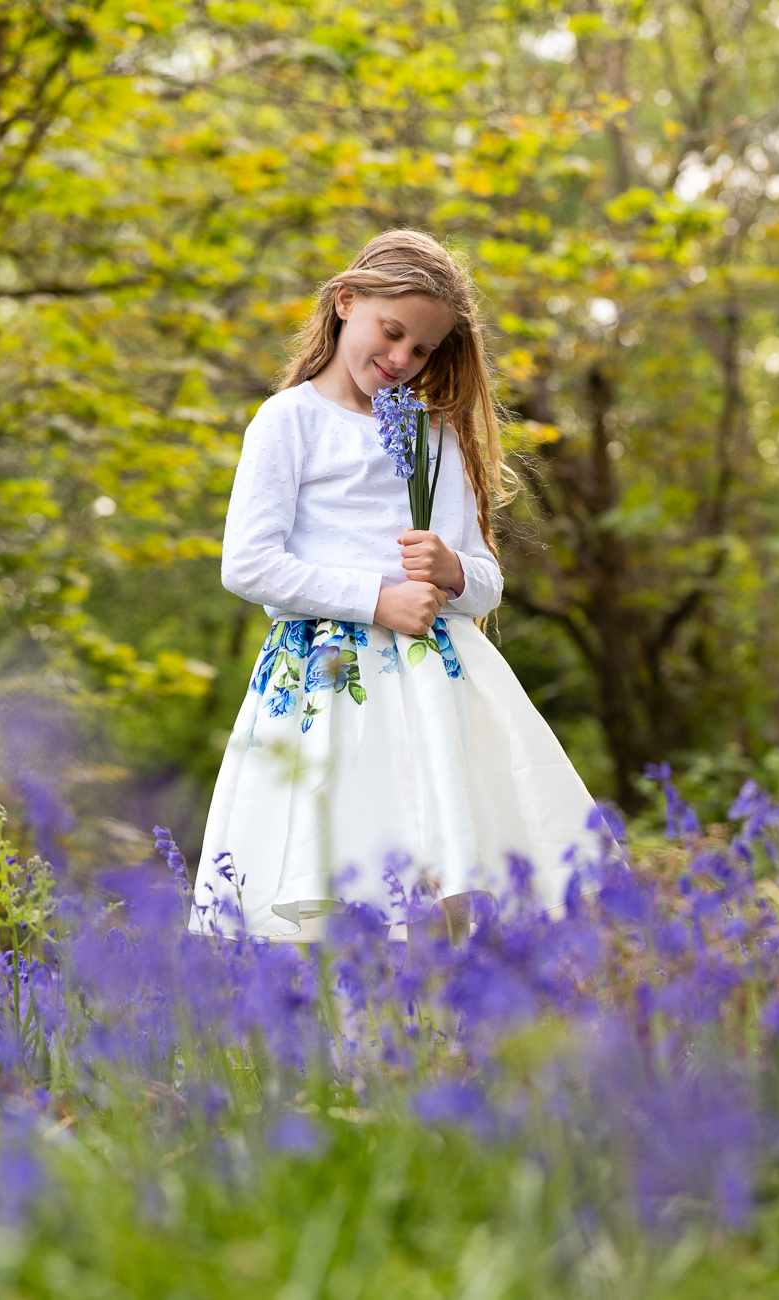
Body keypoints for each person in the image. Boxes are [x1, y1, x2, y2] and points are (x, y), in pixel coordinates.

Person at [189, 230, 602, 941]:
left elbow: (485, 584)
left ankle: (439, 1031)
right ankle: (342, 1039)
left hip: (434, 684)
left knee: (443, 865)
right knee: (337, 854)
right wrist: (377, 598)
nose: (404, 359)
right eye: (393, 332)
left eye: (424, 349)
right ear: (346, 302)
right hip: (329, 680)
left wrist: (452, 571)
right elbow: (250, 565)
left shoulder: (434, 438)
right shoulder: (289, 422)